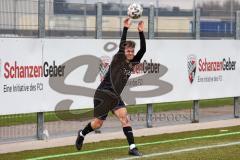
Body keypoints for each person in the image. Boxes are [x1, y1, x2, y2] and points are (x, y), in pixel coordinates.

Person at [75, 17, 146, 156]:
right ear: (124, 51)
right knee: (97, 124)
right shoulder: (118, 58)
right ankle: (82, 133)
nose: (130, 53)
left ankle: (132, 147)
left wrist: (141, 32)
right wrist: (125, 28)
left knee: (124, 118)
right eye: (128, 51)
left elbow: (143, 49)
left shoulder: (133, 62)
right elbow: (121, 45)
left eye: (132, 51)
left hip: (115, 96)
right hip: (102, 93)